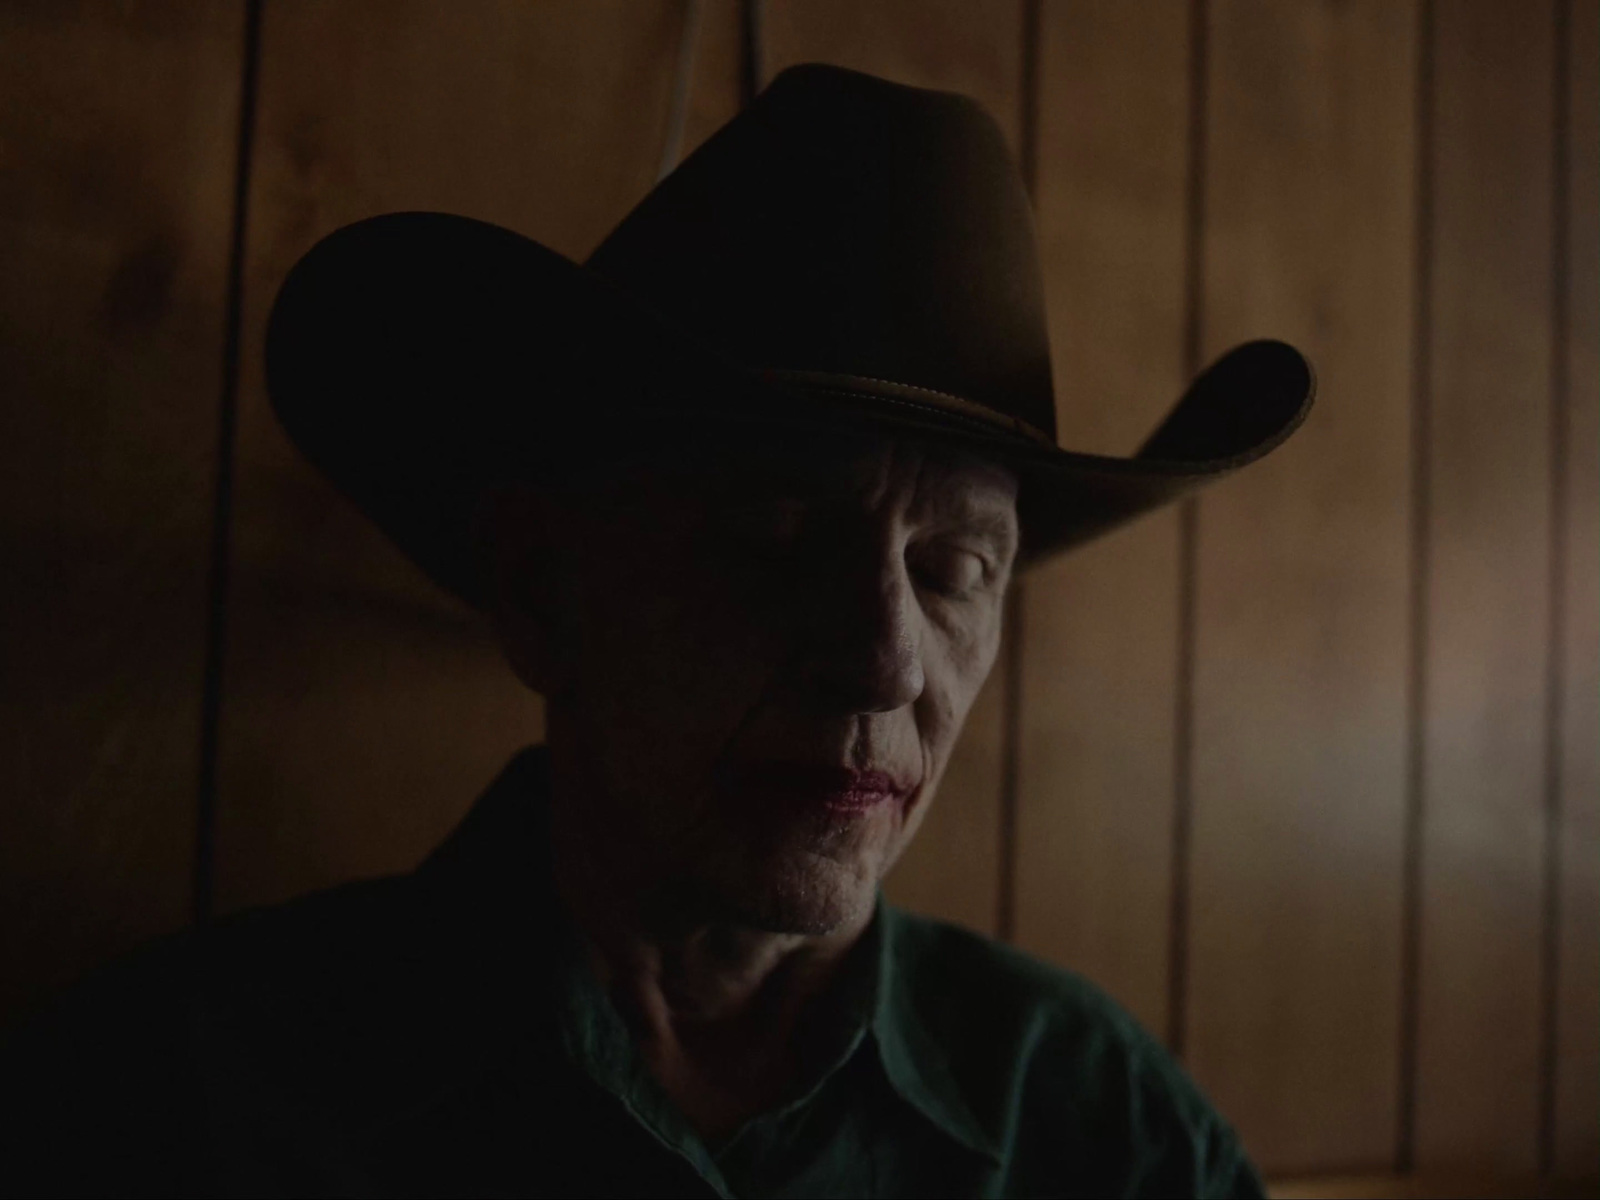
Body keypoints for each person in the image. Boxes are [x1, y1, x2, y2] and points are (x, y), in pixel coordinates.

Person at [0, 64, 1311, 1197]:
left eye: (955, 569)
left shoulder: (1103, 1129)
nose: (884, 661)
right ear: (543, 591)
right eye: (773, 546)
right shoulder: (178, 1100)